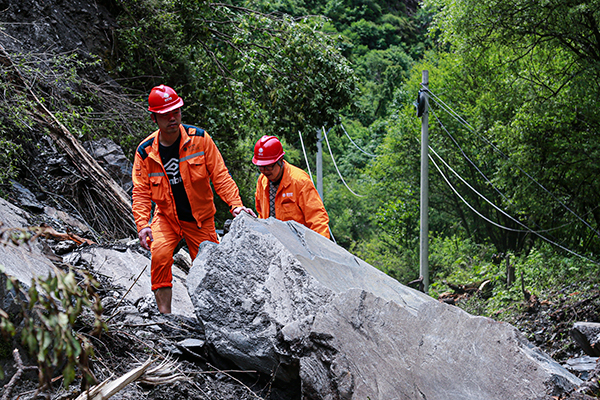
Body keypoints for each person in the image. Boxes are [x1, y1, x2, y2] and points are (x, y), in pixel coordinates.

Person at [132, 84, 255, 313]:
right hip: (166, 218)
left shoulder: (199, 140)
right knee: (159, 254)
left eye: (176, 111)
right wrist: (142, 225)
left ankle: (215, 318)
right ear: (154, 118)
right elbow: (140, 192)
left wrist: (236, 205)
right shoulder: (145, 152)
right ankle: (165, 318)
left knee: (211, 268)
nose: (172, 118)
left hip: (200, 219)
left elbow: (220, 176)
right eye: (165, 114)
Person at [252, 135, 330, 238]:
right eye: (261, 167)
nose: (265, 171)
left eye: (268, 166)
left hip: (300, 246)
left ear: (280, 161)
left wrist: (321, 248)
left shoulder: (300, 182)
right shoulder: (262, 181)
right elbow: (261, 214)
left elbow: (317, 219)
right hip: (273, 245)